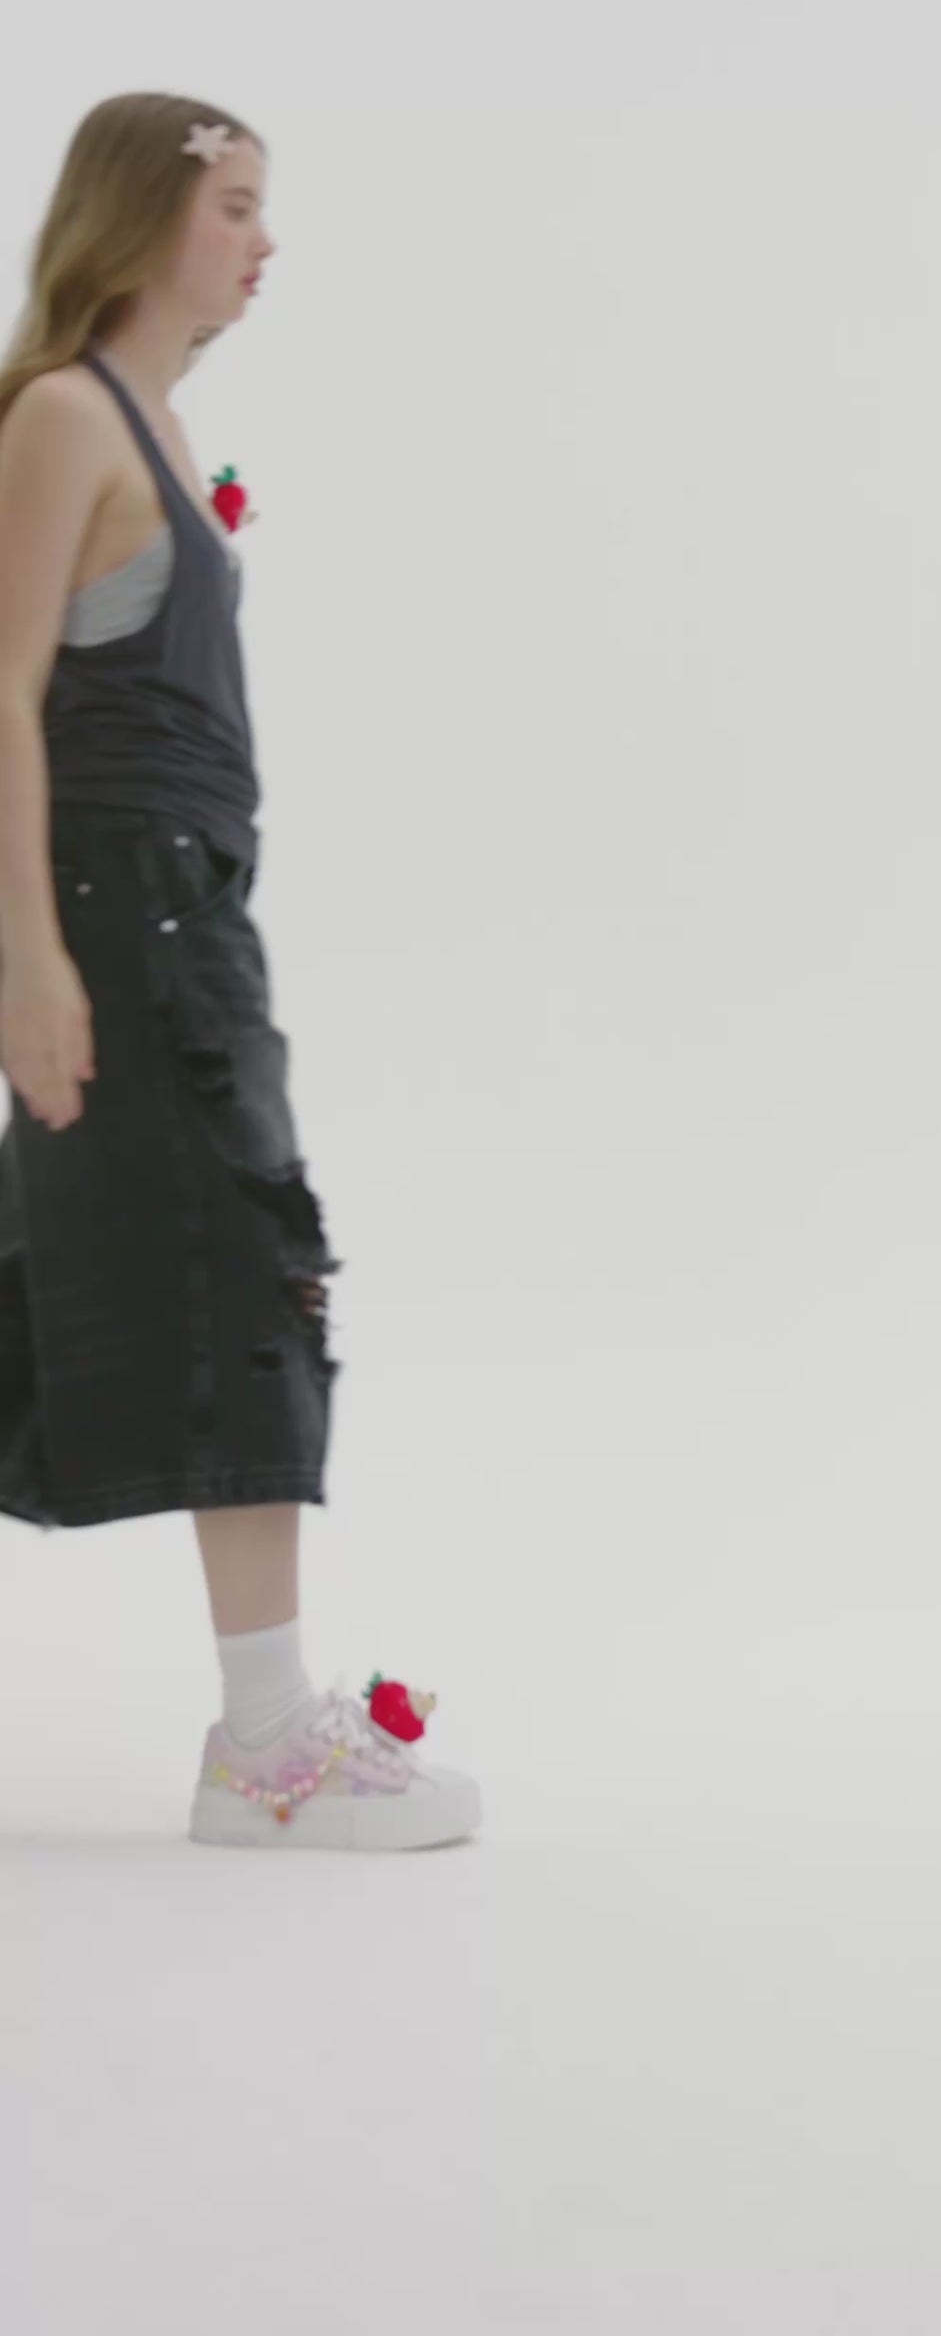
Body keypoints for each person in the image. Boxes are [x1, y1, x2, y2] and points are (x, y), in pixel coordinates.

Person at [0, 93, 480, 1849]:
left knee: (68, 1294)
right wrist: (27, 952)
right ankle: (268, 1748)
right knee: (249, 1269)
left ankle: (265, 1737)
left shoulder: (159, 427)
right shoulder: (66, 415)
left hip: (180, 907)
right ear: (139, 217)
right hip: (123, 911)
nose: (265, 243)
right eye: (236, 207)